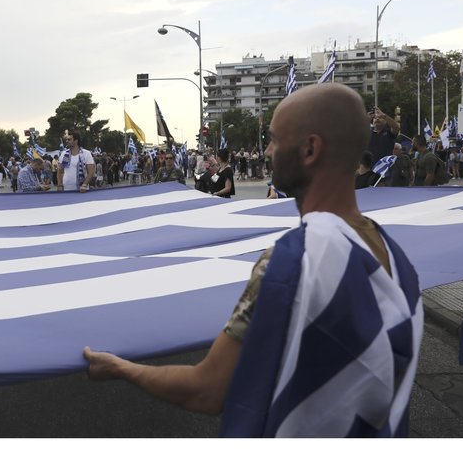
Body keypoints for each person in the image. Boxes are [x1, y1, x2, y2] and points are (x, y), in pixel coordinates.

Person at [84, 83, 423, 437]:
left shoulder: (294, 263)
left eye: (275, 140)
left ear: (310, 149)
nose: (268, 152)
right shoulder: (395, 257)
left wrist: (122, 369)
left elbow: (207, 389)